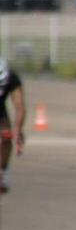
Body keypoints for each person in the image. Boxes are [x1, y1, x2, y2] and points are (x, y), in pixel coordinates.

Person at [0, 58, 26, 192]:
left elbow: (20, 107)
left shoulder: (12, 78)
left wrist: (17, 129)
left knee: (6, 137)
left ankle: (4, 172)